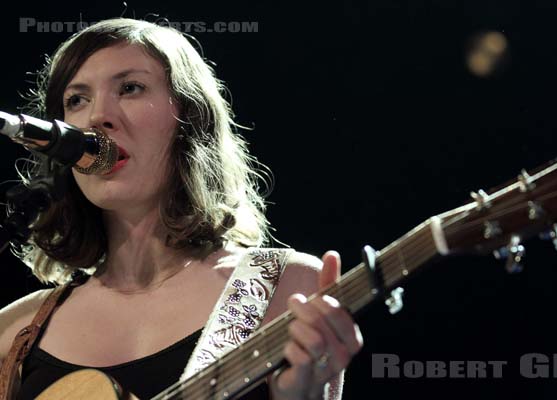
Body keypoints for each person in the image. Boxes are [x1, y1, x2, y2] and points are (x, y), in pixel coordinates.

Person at [0, 18, 363, 400]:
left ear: (189, 120)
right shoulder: (16, 333)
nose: (96, 117)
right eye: (76, 99)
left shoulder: (286, 290)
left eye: (130, 88)